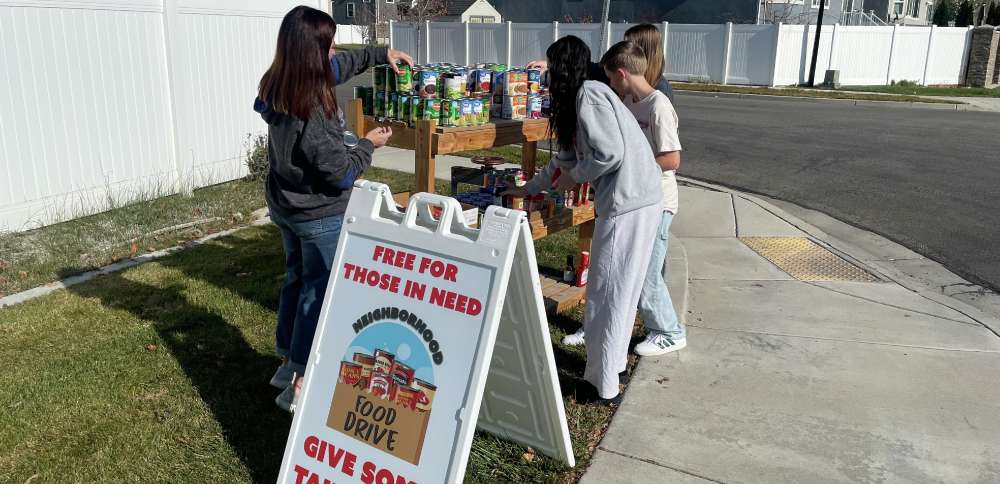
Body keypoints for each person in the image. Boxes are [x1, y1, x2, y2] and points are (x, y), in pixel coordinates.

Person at [254, 5, 412, 412]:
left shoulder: (280, 81)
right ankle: (300, 379)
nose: (335, 49)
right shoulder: (314, 105)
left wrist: (382, 54)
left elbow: (341, 64)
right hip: (316, 214)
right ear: (311, 53)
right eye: (328, 44)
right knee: (316, 293)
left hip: (285, 205)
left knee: (294, 278)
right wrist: (367, 145)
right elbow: (339, 174)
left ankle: (287, 359)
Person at [505, 36, 663, 405]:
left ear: (562, 70)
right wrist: (531, 188)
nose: (545, 79)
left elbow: (608, 154)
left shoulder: (589, 94)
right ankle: (612, 367)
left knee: (607, 292)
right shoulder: (582, 99)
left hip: (631, 204)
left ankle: (601, 386)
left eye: (550, 69)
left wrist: (577, 176)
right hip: (637, 200)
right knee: (617, 292)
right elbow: (563, 162)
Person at [601, 40, 686, 356]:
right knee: (637, 268)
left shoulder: (658, 106)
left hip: (659, 203)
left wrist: (635, 165)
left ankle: (669, 331)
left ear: (622, 73)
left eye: (612, 78)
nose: (611, 85)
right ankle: (657, 325)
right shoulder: (630, 102)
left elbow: (672, 159)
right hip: (639, 200)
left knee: (647, 271)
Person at [527, 24, 675, 103]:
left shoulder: (660, 93)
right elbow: (588, 67)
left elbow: (670, 157)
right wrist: (551, 64)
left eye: (629, 44)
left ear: (644, 51)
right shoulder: (614, 76)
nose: (624, 47)